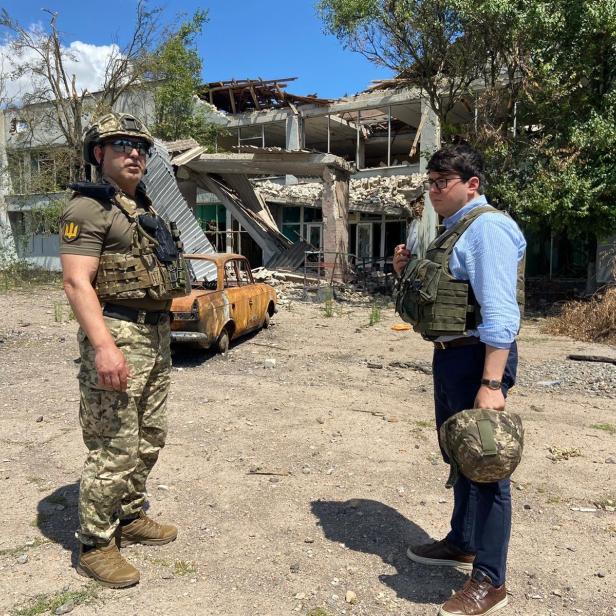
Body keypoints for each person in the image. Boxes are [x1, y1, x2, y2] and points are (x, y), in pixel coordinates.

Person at [393, 144, 526, 616]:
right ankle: (463, 541)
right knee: (459, 454)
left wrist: (491, 384)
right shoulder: (452, 232)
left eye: (441, 181)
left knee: (487, 463)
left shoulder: (486, 227)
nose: (432, 190)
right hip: (452, 355)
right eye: (429, 182)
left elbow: (500, 313)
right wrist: (404, 274)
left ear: (472, 184)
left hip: (477, 360)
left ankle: (490, 579)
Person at [60, 112, 189, 588]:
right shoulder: (87, 208)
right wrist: (104, 347)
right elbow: (77, 283)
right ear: (100, 153)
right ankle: (96, 542)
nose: (134, 153)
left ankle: (130, 515)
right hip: (118, 333)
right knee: (114, 446)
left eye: (141, 147)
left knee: (150, 437)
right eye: (121, 144)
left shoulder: (140, 207)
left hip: (154, 334)